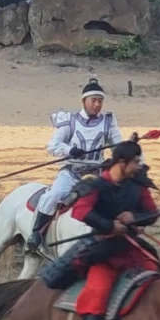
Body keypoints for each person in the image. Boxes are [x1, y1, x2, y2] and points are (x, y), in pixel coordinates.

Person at [43, 138, 159, 320]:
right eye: (135, 162)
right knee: (98, 289)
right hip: (104, 249)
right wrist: (109, 225)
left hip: (131, 247)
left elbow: (153, 213)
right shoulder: (96, 185)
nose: (139, 166)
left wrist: (134, 217)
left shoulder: (138, 185)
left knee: (157, 274)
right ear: (122, 162)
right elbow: (80, 212)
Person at [27, 77, 124, 251]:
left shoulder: (108, 122)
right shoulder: (70, 121)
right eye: (93, 100)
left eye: (100, 101)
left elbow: (118, 145)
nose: (97, 104)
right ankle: (36, 233)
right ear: (84, 101)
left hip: (97, 174)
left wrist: (115, 158)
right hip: (72, 172)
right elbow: (53, 146)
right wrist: (70, 150)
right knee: (53, 195)